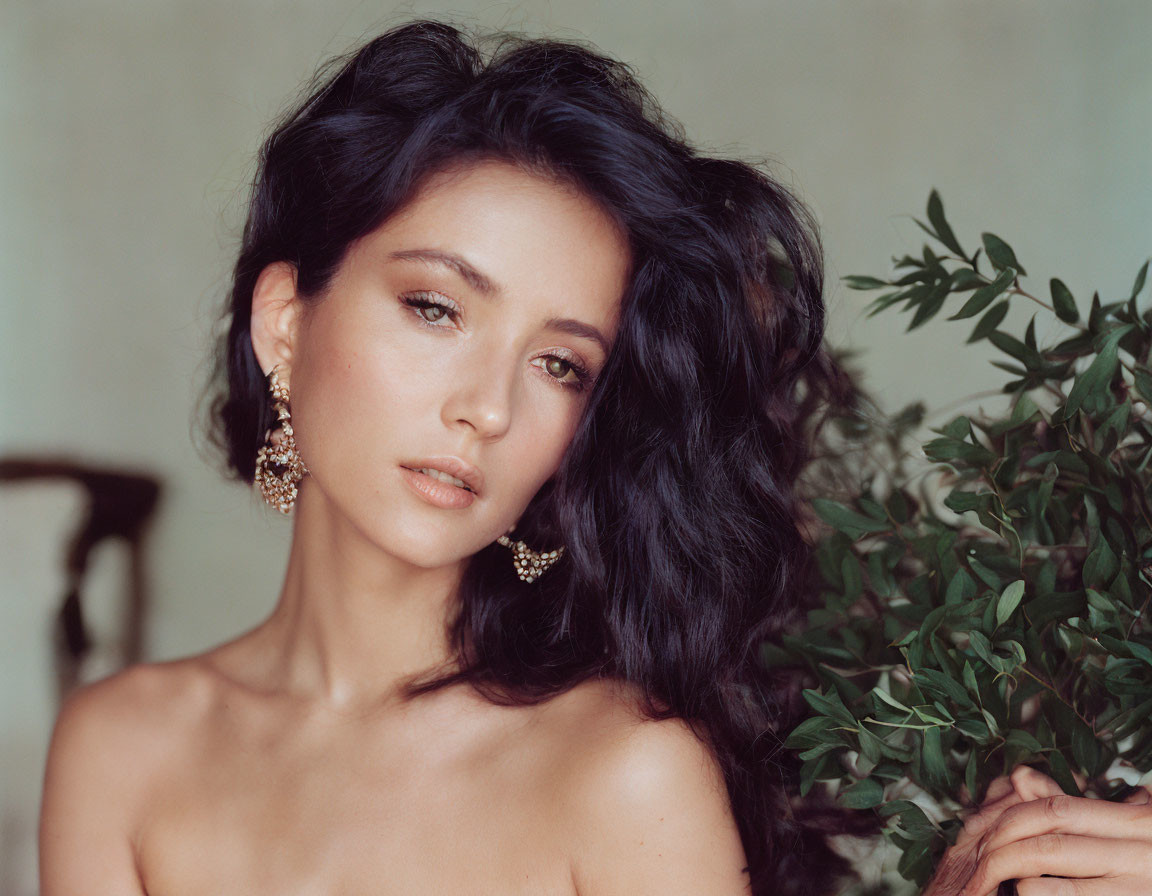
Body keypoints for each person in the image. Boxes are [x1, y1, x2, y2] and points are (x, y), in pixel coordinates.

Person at [35, 18, 1152, 896]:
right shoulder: (121, 747)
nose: (484, 405)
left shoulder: (619, 770)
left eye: (561, 364)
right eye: (435, 307)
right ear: (286, 320)